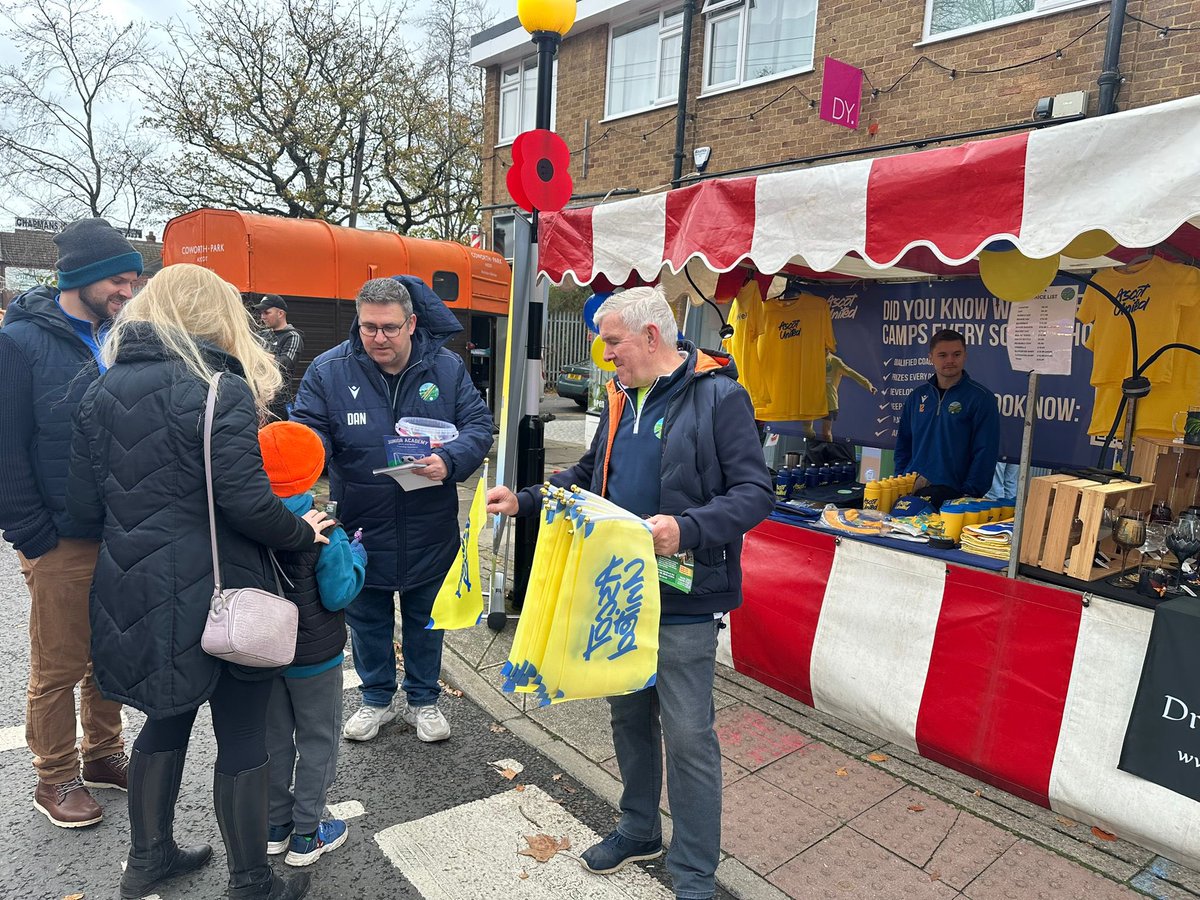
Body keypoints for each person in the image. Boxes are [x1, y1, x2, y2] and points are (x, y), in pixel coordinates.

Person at [486, 285, 774, 900]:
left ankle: (693, 873)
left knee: (690, 735)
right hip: (620, 589)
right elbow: (593, 476)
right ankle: (639, 828)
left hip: (685, 597)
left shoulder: (720, 395)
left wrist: (687, 528)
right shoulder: (621, 398)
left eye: (612, 341)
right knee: (627, 718)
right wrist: (530, 497)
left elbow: (755, 492)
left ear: (651, 336)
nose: (603, 353)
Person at [68, 263, 335, 900]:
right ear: (217, 317)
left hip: (132, 585)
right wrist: (305, 535)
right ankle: (250, 883)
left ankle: (148, 861)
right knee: (241, 730)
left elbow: (83, 503)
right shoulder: (220, 388)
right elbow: (245, 501)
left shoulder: (98, 391)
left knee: (163, 720)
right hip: (217, 585)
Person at [291, 276, 493, 744]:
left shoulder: (445, 367)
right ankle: (376, 698)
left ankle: (424, 699)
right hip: (362, 522)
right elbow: (309, 429)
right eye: (368, 328)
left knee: (426, 618)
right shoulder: (328, 370)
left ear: (411, 323)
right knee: (367, 618)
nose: (379, 338)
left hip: (429, 521)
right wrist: (308, 452)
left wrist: (450, 459)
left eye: (389, 328)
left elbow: (479, 425)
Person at [0, 218, 140, 828]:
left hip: (119, 529)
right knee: (59, 664)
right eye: (118, 280)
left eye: (134, 281)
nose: (127, 293)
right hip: (57, 535)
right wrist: (33, 533)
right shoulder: (19, 343)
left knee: (108, 654)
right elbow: (6, 447)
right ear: (80, 276)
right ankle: (54, 777)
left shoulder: (121, 337)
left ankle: (103, 752)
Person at [257, 421, 366, 868]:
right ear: (317, 470)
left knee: (274, 741)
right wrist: (357, 557)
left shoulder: (247, 521)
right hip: (314, 658)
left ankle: (275, 826)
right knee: (318, 739)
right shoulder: (327, 529)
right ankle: (307, 833)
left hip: (261, 652)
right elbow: (339, 593)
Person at [895, 328, 1000, 505]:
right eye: (942, 355)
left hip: (956, 494)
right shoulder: (916, 397)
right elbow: (903, 445)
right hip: (912, 491)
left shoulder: (981, 398)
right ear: (931, 357)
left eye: (956, 354)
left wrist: (969, 493)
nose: (950, 360)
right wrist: (901, 480)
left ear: (965, 355)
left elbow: (985, 451)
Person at [806, 349, 877, 441]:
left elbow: (852, 373)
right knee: (807, 428)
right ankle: (811, 444)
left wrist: (868, 385)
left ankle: (829, 452)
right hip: (813, 401)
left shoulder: (835, 361)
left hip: (829, 403)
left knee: (826, 432)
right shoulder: (813, 359)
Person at [257, 294, 304, 421]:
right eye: (261, 313)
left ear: (280, 313)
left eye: (267, 312)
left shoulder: (292, 336)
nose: (262, 317)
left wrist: (261, 357)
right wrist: (269, 358)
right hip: (259, 401)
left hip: (279, 404)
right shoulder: (262, 335)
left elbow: (284, 365)